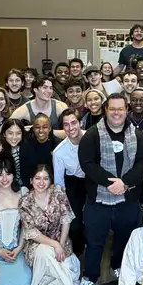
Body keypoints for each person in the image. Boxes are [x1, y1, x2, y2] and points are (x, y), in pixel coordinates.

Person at [76, 93, 143, 285]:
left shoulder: (136, 135)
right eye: (112, 109)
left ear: (126, 110)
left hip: (127, 199)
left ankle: (118, 266)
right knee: (94, 241)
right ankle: (90, 276)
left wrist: (125, 183)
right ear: (105, 110)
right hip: (98, 199)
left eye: (120, 109)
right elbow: (87, 163)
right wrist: (112, 182)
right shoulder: (92, 135)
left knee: (124, 240)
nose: (117, 113)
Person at [19, 165, 82, 285]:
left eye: (45, 178)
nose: (41, 182)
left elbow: (66, 219)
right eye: (37, 178)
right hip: (37, 244)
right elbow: (32, 233)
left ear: (50, 180)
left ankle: (63, 279)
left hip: (60, 239)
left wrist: (60, 243)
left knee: (71, 266)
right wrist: (54, 245)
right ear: (31, 181)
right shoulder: (25, 202)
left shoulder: (58, 192)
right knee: (45, 251)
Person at [53, 108, 87, 256]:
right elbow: (59, 183)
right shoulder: (59, 152)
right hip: (74, 182)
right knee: (75, 223)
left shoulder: (91, 138)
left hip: (94, 178)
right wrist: (64, 207)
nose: (71, 127)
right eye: (66, 124)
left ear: (80, 123)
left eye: (74, 123)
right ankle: (78, 254)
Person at [1, 118, 27, 188]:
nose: (14, 137)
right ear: (4, 134)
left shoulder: (27, 149)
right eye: (10, 133)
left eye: (18, 133)